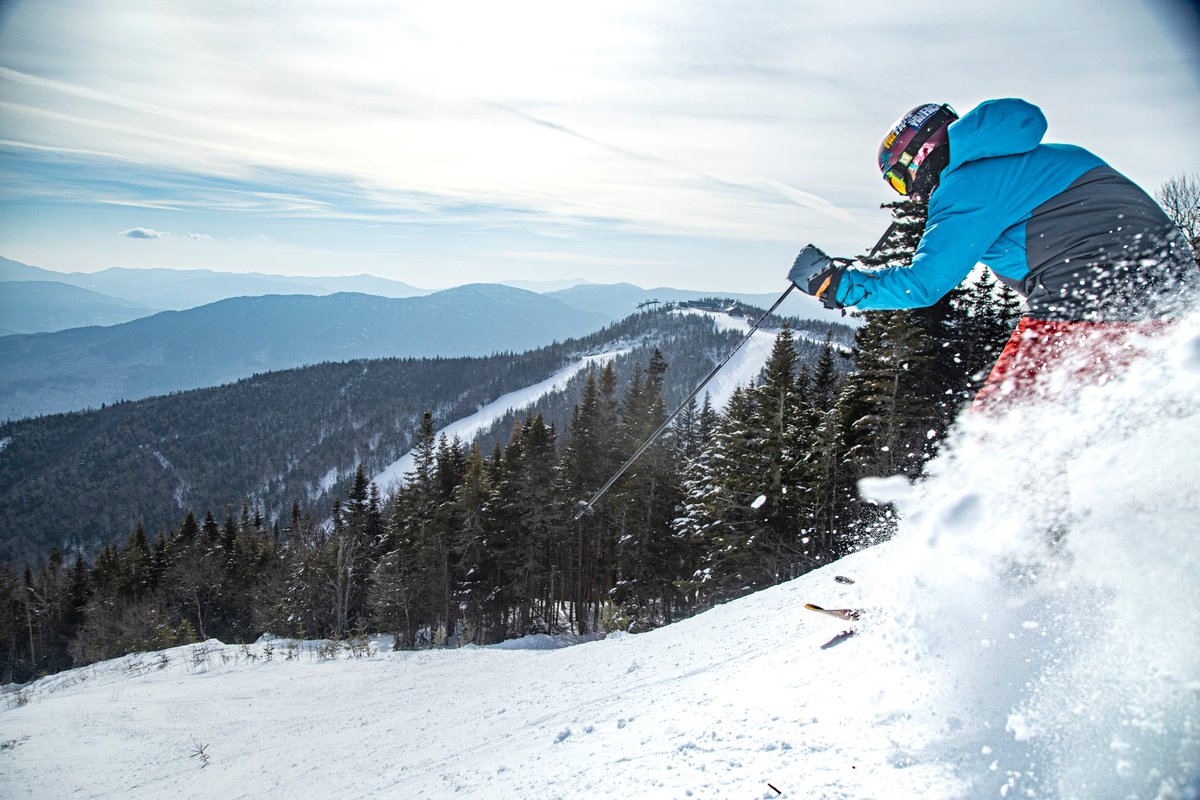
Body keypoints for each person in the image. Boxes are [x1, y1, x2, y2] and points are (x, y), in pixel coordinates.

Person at [794, 98, 1198, 412]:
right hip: (1170, 288)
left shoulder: (965, 185)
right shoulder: (1030, 158)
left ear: (918, 155)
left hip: (1094, 286)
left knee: (1005, 421)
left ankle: (1028, 521)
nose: (911, 193)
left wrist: (837, 286)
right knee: (1107, 408)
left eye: (900, 179)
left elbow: (924, 285)